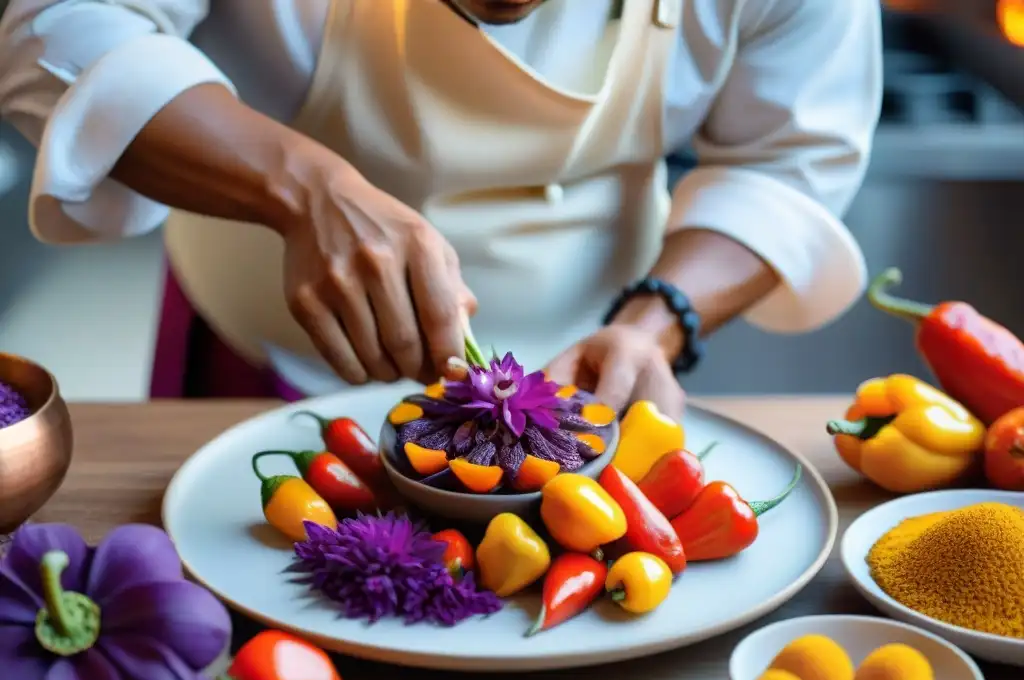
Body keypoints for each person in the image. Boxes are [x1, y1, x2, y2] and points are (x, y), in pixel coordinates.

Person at [0, 0, 881, 420]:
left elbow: (790, 162)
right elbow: (60, 33)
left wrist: (657, 326)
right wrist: (306, 189)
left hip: (592, 378)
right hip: (255, 358)